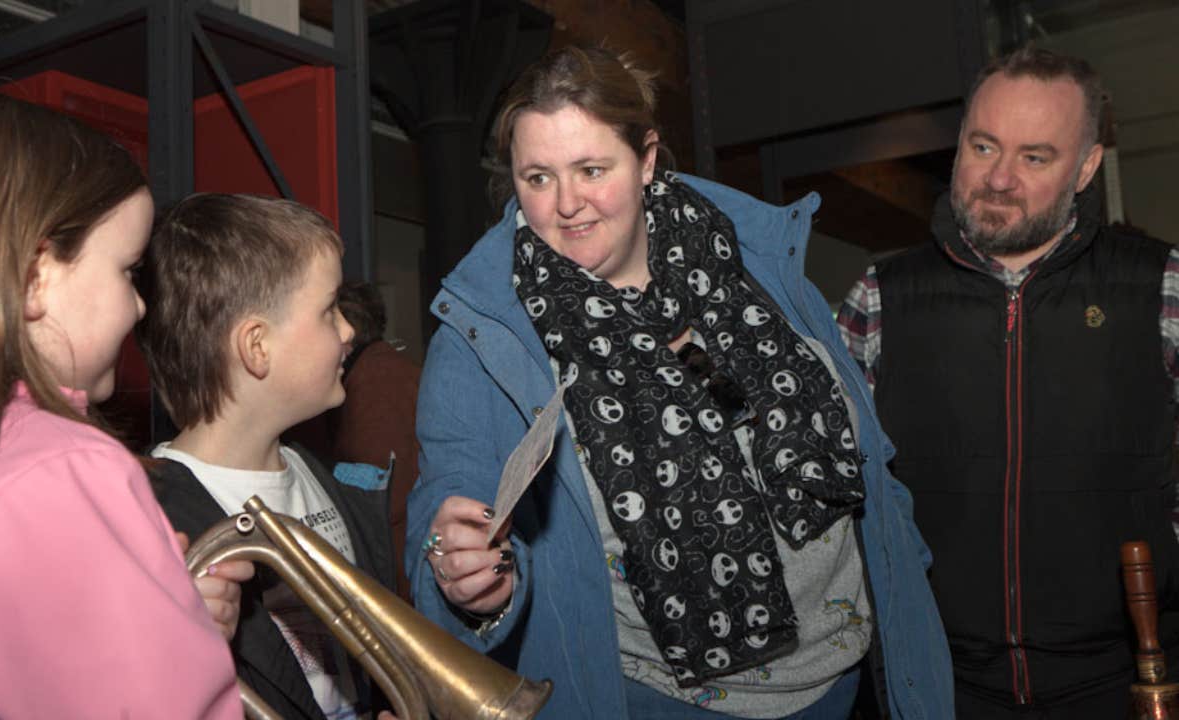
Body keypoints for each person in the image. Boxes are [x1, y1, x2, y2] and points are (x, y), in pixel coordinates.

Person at [405, 45, 953, 719]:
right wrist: (456, 571)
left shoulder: (754, 259)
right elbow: (443, 505)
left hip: (845, 680)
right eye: (537, 177)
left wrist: (907, 573)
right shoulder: (484, 332)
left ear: (648, 159)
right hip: (657, 701)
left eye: (591, 169)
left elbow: (868, 455)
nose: (566, 205)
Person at [837, 46, 1179, 717]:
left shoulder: (1158, 285)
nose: (997, 179)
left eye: (1033, 157)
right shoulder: (878, 298)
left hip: (1127, 678)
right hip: (934, 682)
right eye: (983, 146)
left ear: (1084, 168)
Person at [0, 86, 245, 717]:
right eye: (128, 270)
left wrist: (164, 620)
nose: (140, 306)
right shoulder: (55, 469)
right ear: (35, 278)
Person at [136, 193, 398, 720]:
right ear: (257, 347)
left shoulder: (321, 477)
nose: (349, 330)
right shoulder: (152, 519)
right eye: (328, 311)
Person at [286, 281, 422, 601]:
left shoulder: (376, 382)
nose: (342, 330)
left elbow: (378, 501)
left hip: (396, 576)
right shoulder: (385, 369)